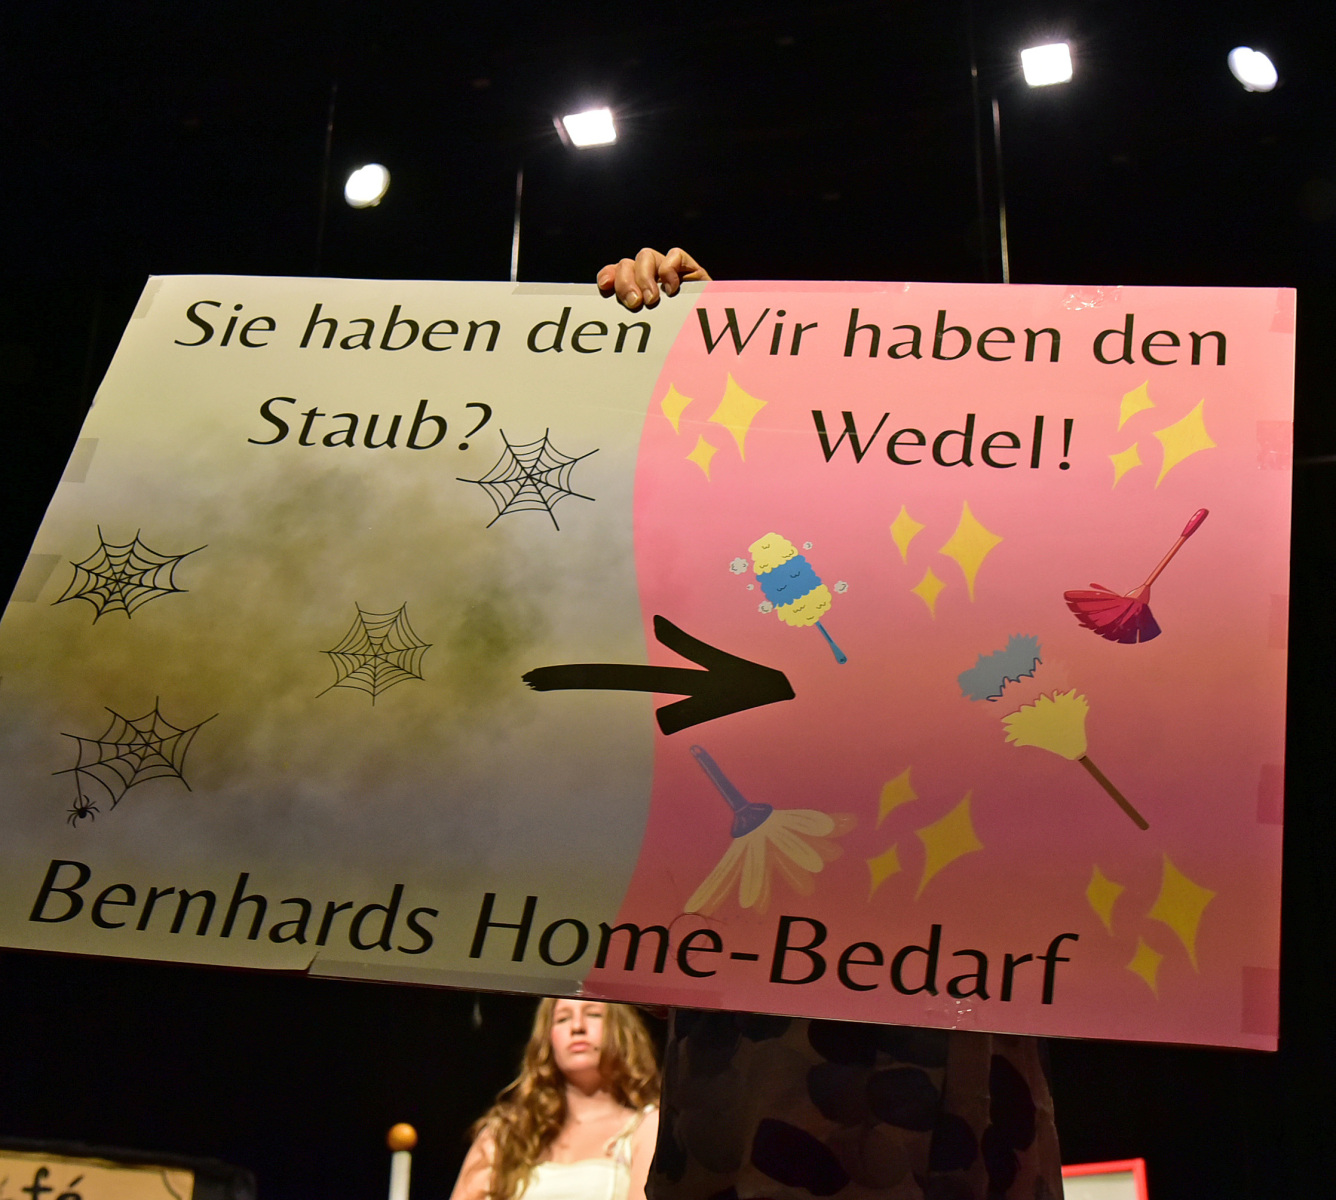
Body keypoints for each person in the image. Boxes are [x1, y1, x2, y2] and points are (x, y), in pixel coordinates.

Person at [594, 248, 1065, 1200]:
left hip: (964, 1074)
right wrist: (687, 339)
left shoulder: (995, 612)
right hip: (760, 1075)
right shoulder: (725, 628)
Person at [450, 997, 661, 1200]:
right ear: (547, 1039)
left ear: (621, 1031)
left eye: (594, 1015)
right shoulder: (505, 1137)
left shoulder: (645, 1129)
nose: (577, 1027)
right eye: (563, 1018)